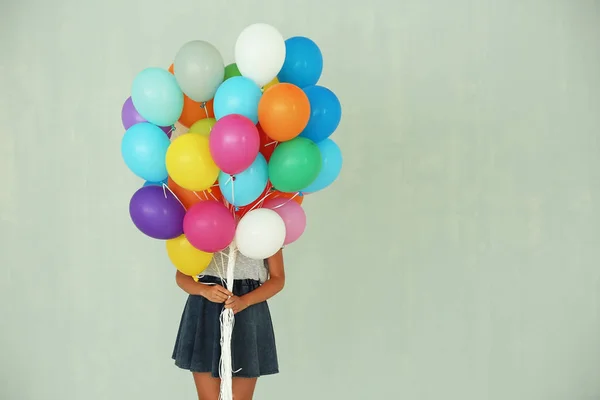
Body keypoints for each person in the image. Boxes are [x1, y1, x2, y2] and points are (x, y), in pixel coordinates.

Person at [172, 247, 285, 400]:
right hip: (206, 309)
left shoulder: (263, 226)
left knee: (239, 397)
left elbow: (278, 279)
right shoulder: (200, 224)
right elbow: (181, 276)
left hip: (247, 309)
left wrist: (245, 301)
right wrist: (204, 290)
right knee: (208, 397)